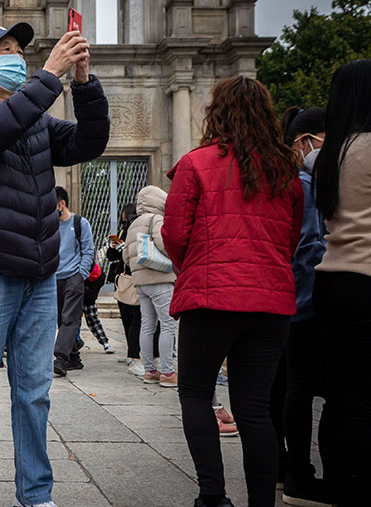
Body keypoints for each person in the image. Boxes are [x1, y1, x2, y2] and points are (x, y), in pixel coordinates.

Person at [0, 21, 109, 506]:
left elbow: (87, 144)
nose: (19, 56)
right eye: (7, 50)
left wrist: (82, 83)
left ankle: (36, 493)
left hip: (38, 274)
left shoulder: (34, 118)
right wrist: (51, 76)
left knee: (34, 392)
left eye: (21, 50)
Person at [162, 76, 303, 507]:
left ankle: (213, 496)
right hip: (270, 302)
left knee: (196, 394)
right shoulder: (286, 170)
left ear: (215, 112)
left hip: (212, 298)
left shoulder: (196, 163)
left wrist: (196, 267)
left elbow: (174, 233)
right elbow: (291, 238)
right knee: (255, 407)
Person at [312, 59, 371, 507]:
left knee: (340, 396)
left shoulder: (327, 155)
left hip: (331, 278)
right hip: (367, 277)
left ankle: (336, 485)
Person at [273, 105, 331, 506]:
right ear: (305, 141)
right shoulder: (305, 183)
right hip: (302, 301)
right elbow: (309, 246)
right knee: (299, 387)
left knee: (282, 387)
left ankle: (283, 466)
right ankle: (299, 473)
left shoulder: (283, 179)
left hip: (281, 298)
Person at [122, 186, 177, 387]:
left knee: (147, 324)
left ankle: (149, 371)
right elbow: (165, 245)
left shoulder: (134, 224)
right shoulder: (157, 220)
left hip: (140, 283)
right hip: (160, 278)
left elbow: (126, 256)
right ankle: (168, 373)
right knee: (167, 325)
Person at [52, 186, 94, 376]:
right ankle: (74, 356)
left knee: (70, 318)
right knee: (61, 319)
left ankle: (61, 358)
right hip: (54, 278)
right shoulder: (50, 226)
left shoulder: (80, 223)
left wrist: (80, 274)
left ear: (62, 204)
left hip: (73, 277)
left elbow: (88, 251)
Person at [106, 203, 150, 375]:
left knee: (138, 319)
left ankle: (137, 355)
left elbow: (134, 254)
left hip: (135, 277)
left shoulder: (137, 227)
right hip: (123, 278)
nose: (122, 214)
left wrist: (124, 248)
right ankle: (133, 353)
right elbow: (113, 257)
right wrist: (114, 247)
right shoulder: (125, 229)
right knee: (128, 317)